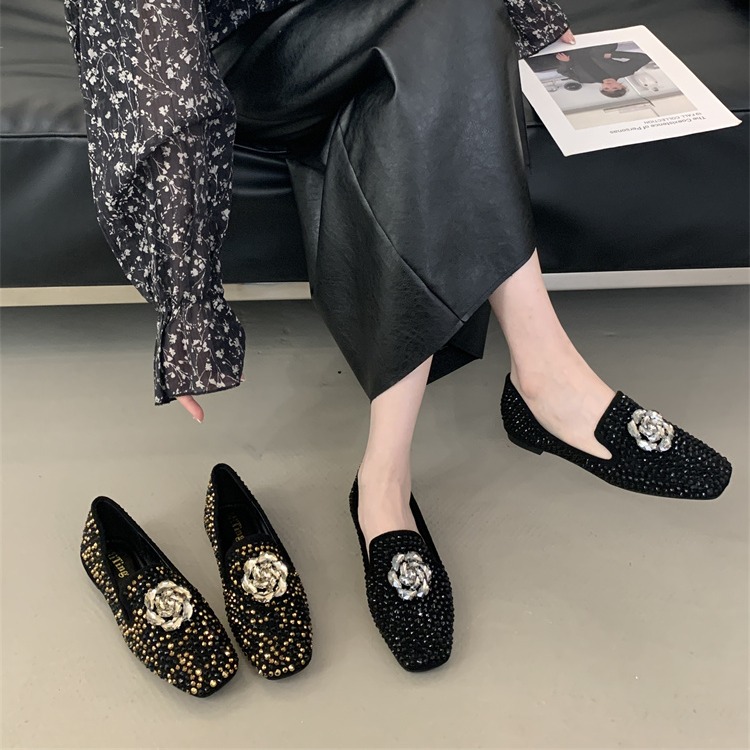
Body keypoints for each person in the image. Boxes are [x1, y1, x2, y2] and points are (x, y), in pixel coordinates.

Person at [63, 0, 731, 672]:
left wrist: (531, 16)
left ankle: (387, 477)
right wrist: (188, 306)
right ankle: (541, 383)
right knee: (452, 19)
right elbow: (163, 80)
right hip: (232, 55)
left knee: (443, 38)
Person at [556, 42, 653, 97]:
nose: (609, 85)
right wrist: (613, 55)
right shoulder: (625, 71)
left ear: (602, 88)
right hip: (598, 46)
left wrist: (566, 62)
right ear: (621, 85)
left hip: (572, 51)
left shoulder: (584, 80)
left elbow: (563, 71)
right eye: (615, 88)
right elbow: (645, 58)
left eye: (606, 88)